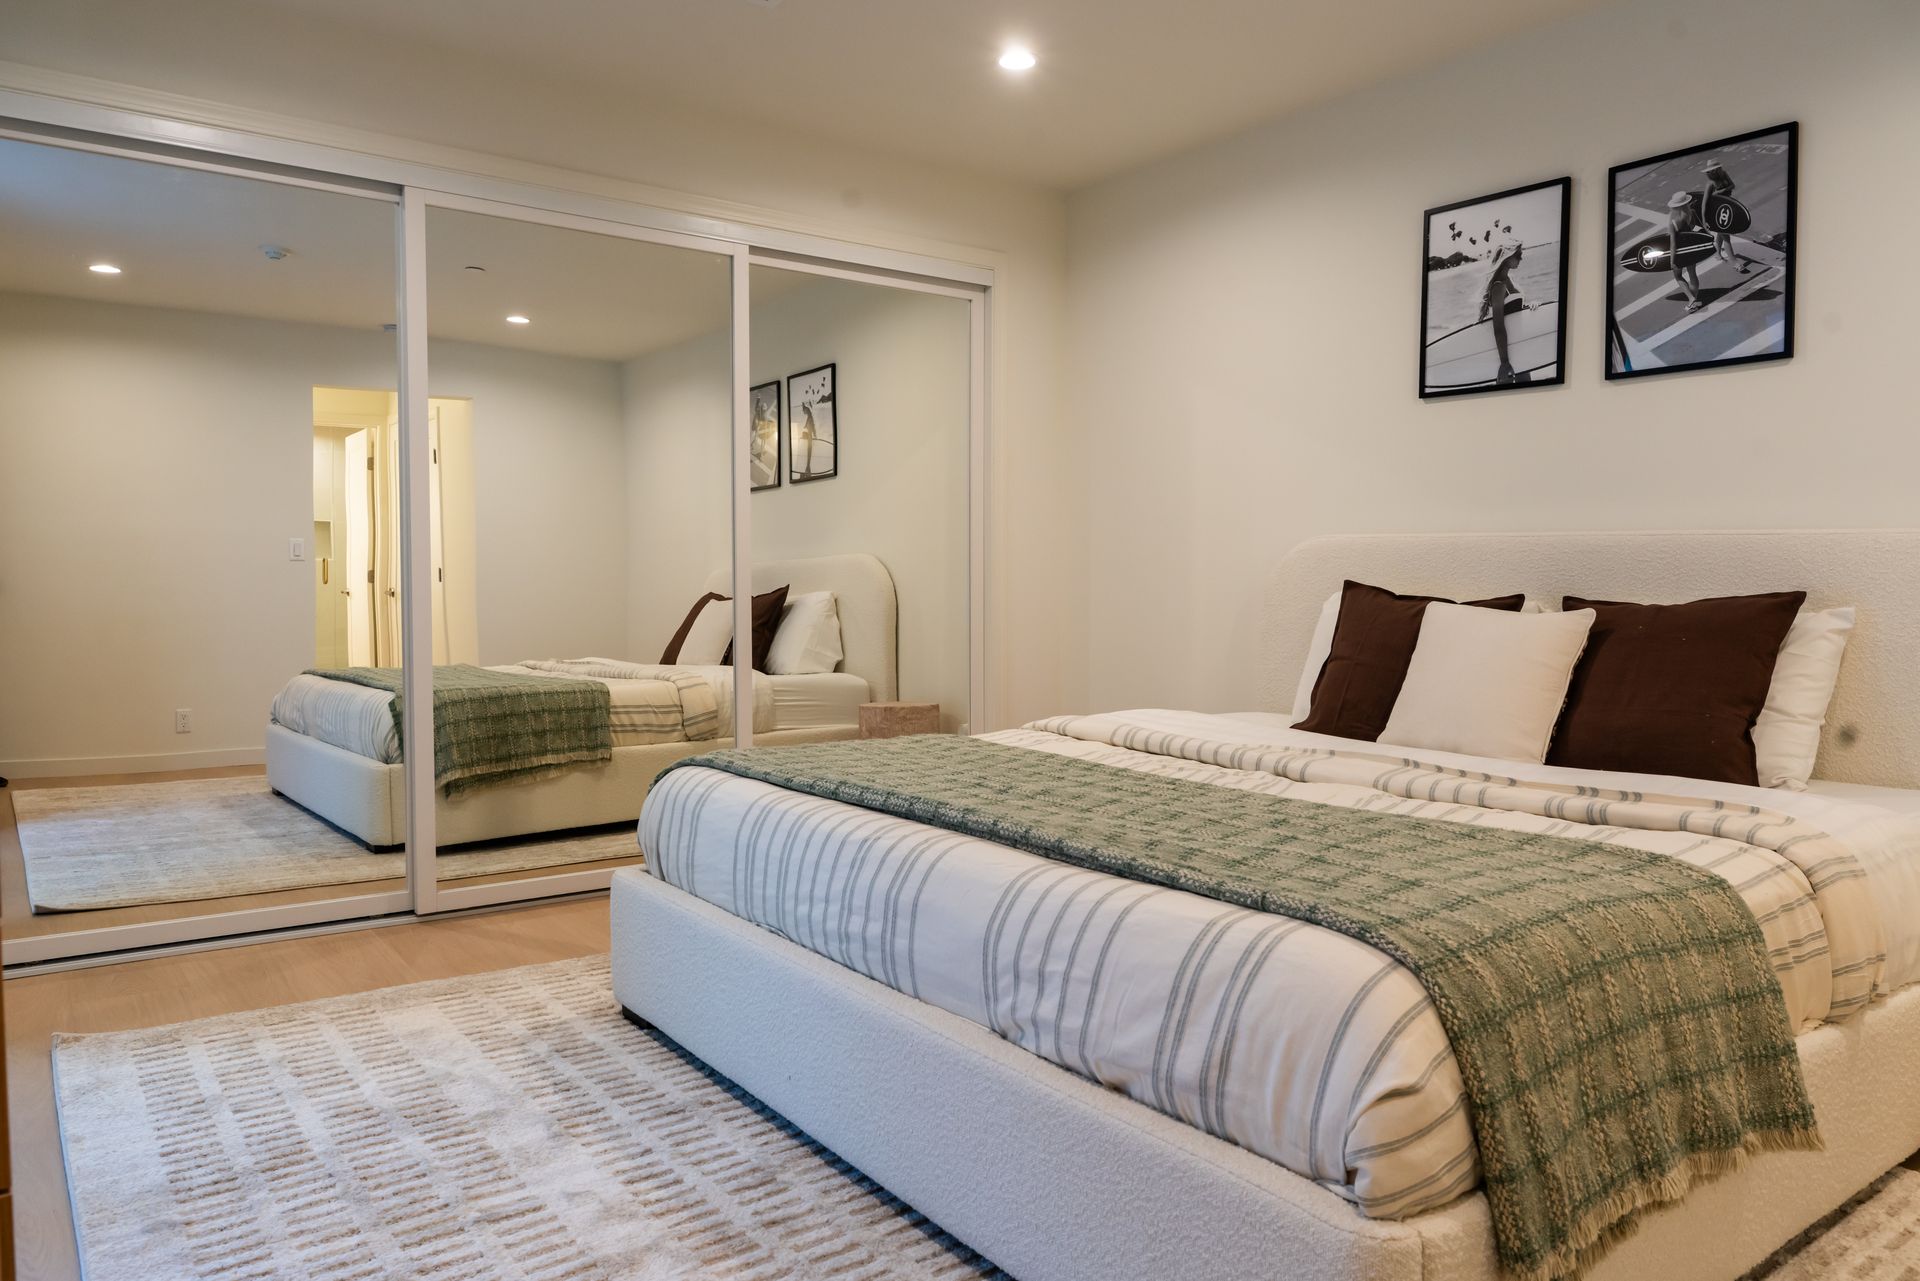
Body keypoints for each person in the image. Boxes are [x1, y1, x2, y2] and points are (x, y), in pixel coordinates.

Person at [1476, 238, 1527, 385]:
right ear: (1507, 257)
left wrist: (1531, 307)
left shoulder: (1507, 280)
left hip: (1518, 346)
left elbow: (1514, 311)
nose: (1521, 258)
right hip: (1509, 353)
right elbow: (1498, 327)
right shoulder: (1498, 287)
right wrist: (1504, 362)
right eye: (1518, 255)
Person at [1701, 159, 1751, 275]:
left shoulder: (1724, 175)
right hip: (1716, 212)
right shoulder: (1710, 184)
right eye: (1711, 171)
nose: (1713, 172)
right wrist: (1704, 220)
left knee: (1721, 233)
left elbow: (1732, 185)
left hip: (1727, 207)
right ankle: (1735, 263)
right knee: (1726, 237)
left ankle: (1717, 253)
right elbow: (1704, 203)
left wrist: (1719, 192)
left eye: (1716, 170)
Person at [1667, 190, 1706, 313]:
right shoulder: (1692, 213)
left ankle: (1691, 299)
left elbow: (1673, 244)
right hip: (1690, 248)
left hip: (1679, 252)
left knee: (1678, 276)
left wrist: (1672, 260)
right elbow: (1696, 229)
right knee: (1692, 273)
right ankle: (1693, 301)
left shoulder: (1673, 222)